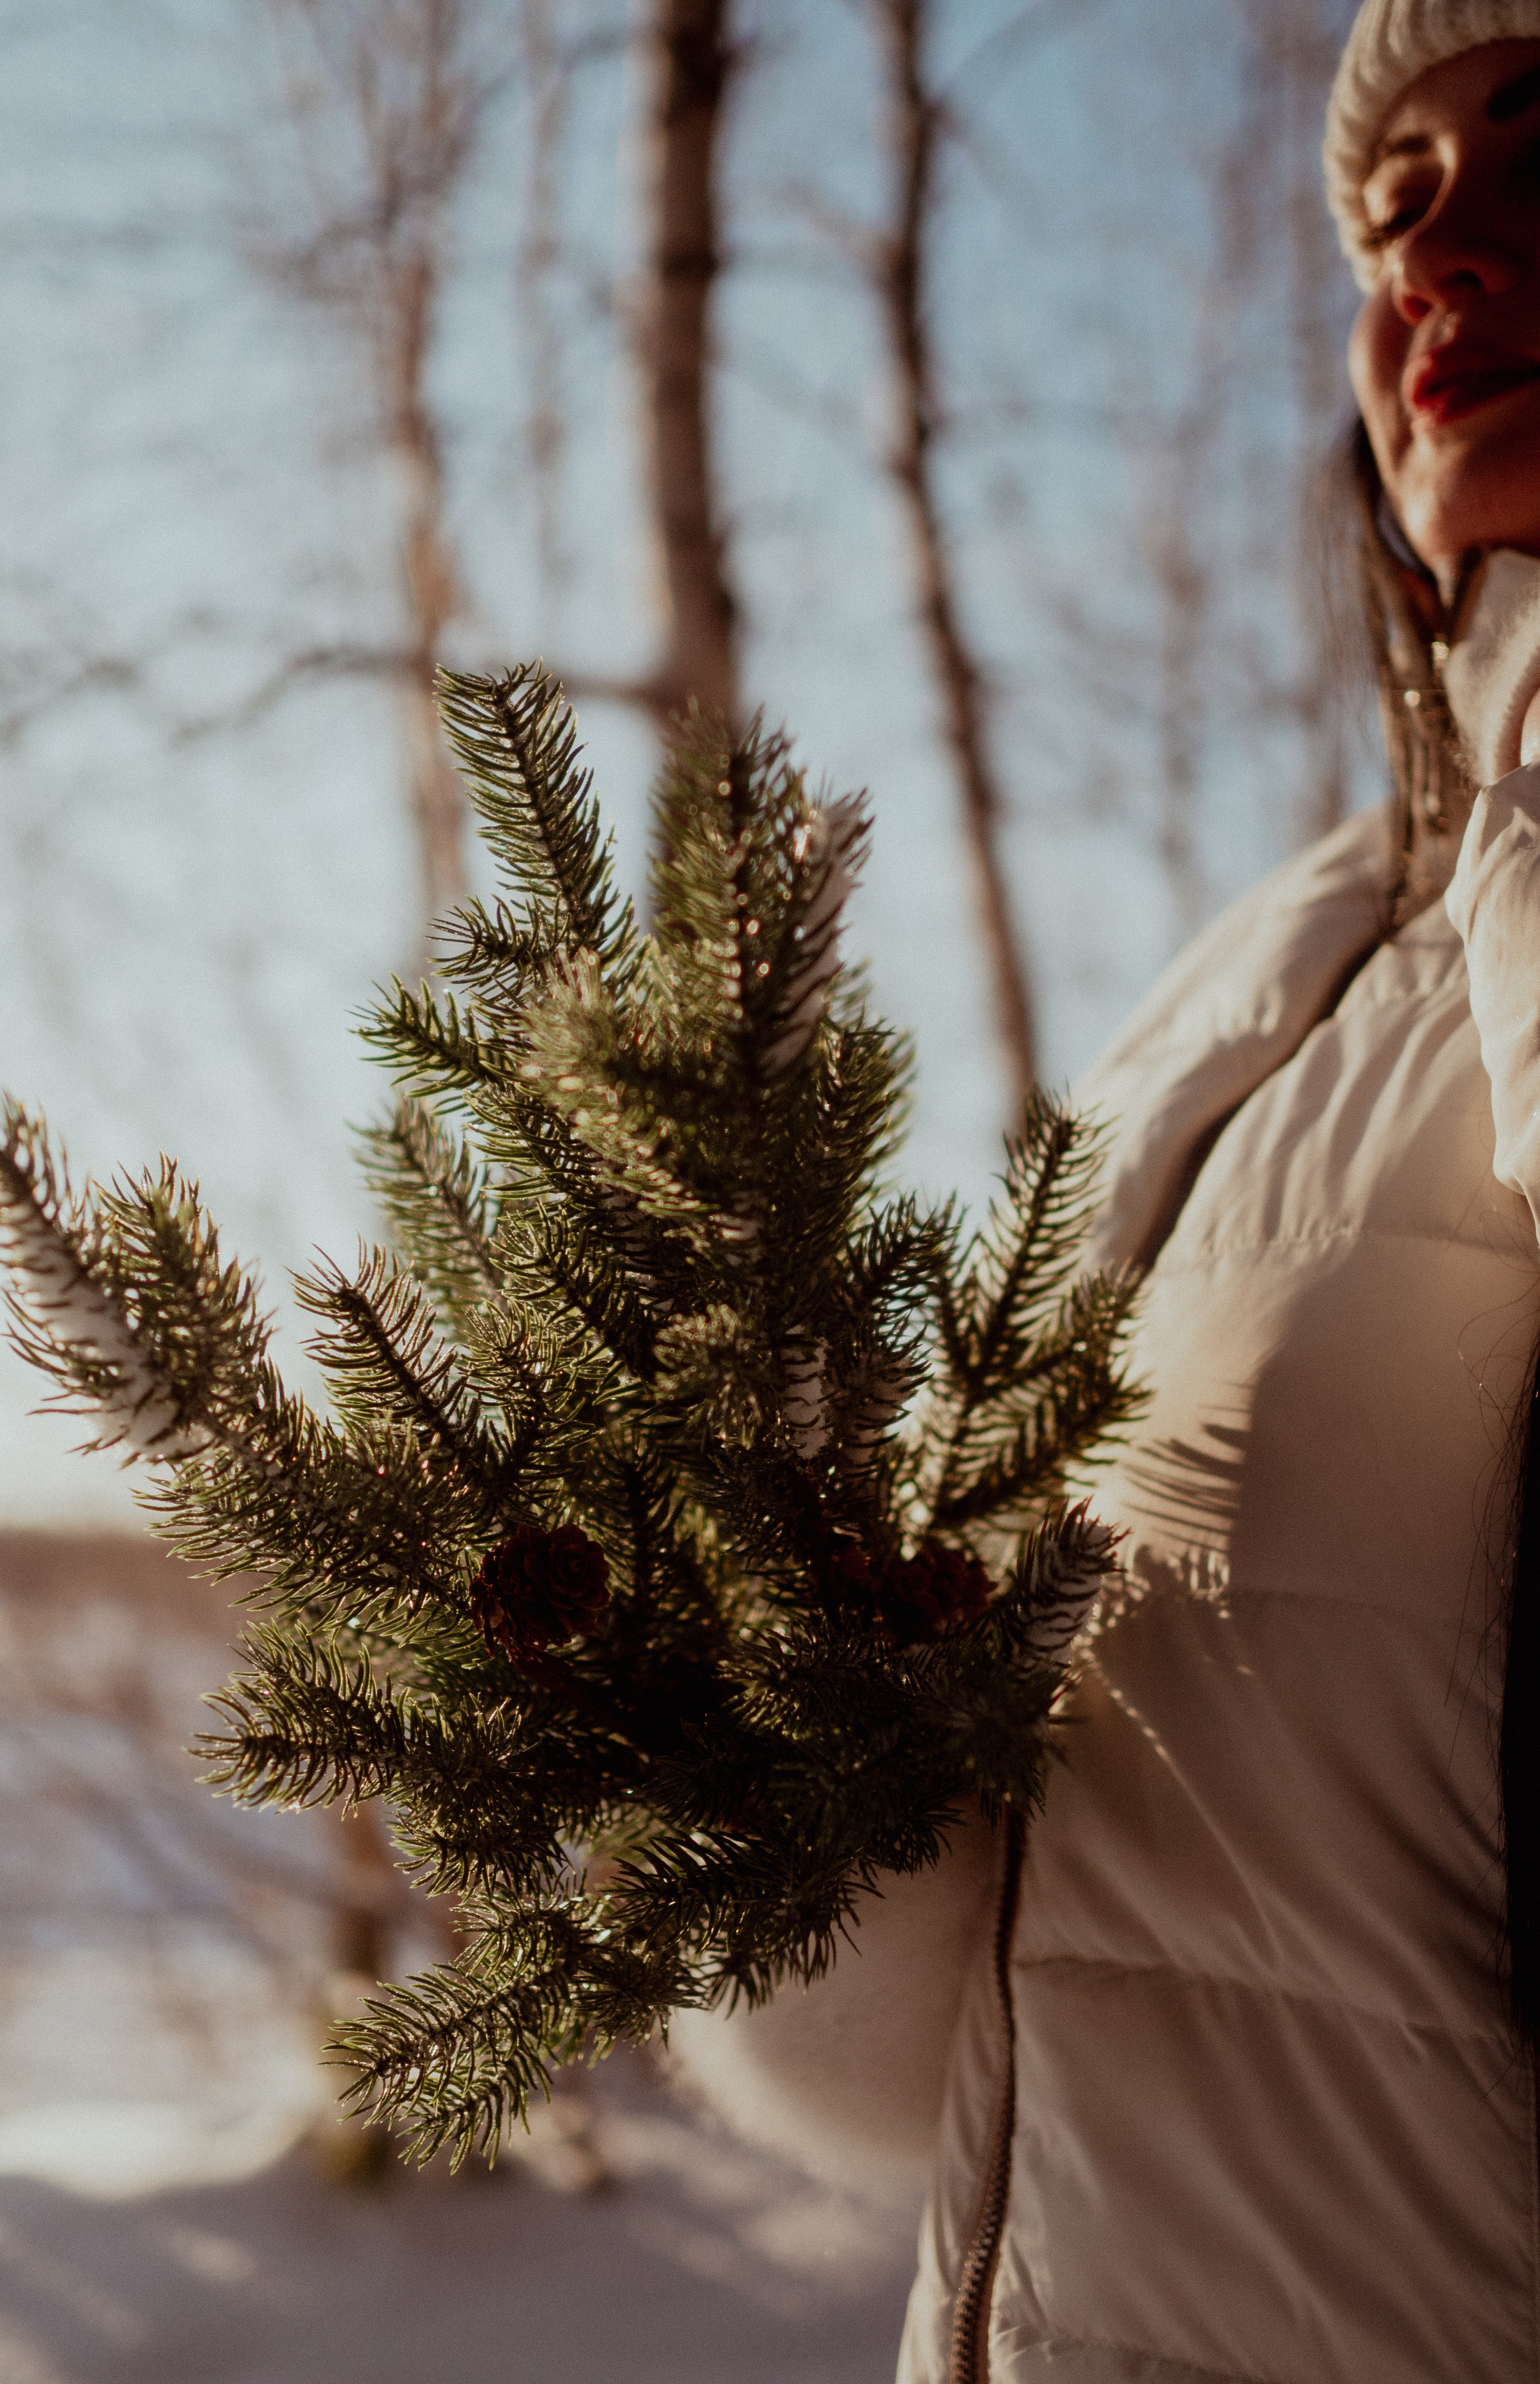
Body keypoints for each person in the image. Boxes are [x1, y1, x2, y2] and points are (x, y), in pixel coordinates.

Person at [671, 8, 1540, 2380]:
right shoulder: (1278, 957)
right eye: (1389, 211)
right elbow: (972, 2018)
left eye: (1532, 156)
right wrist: (748, 1731)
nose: (1436, 256)